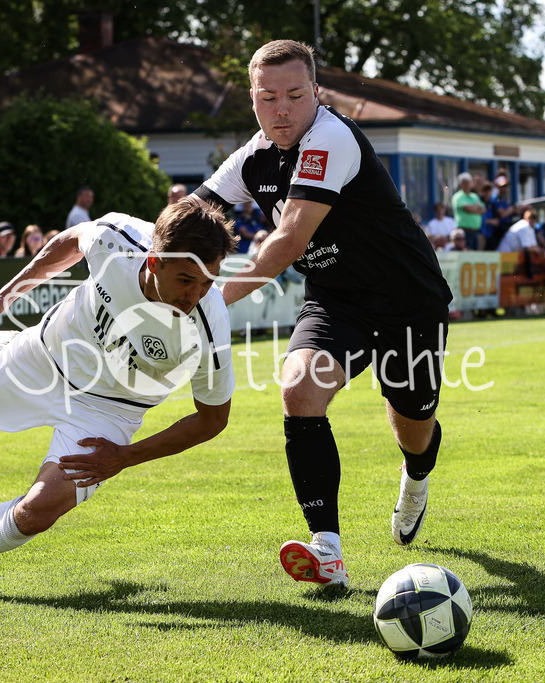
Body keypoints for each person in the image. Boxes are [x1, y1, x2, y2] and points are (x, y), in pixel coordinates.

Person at [194, 40, 453, 588]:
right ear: (253, 98)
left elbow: (288, 239)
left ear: (316, 93)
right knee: (298, 391)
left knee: (413, 421)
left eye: (294, 95)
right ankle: (327, 552)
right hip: (337, 300)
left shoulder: (330, 138)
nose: (281, 109)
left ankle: (416, 477)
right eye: (268, 98)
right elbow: (194, 213)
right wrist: (144, 252)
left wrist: (211, 298)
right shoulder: (253, 157)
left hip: (408, 299)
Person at [0, 199, 238, 599]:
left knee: (37, 512)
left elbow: (212, 420)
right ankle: (2, 346)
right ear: (154, 262)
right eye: (187, 280)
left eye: (209, 281)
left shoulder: (208, 322)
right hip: (44, 357)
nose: (197, 294)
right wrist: (5, 297)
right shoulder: (117, 239)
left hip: (110, 409)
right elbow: (69, 241)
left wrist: (123, 457)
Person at [451, 172, 485, 250]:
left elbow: (483, 210)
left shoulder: (475, 196)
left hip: (476, 231)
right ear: (461, 185)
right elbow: (467, 209)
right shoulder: (458, 196)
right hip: (464, 232)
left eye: (468, 183)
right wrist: (477, 208)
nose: (466, 185)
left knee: (475, 256)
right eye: (464, 183)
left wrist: (473, 208)